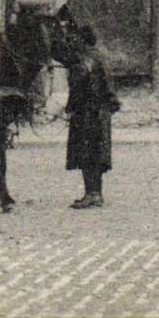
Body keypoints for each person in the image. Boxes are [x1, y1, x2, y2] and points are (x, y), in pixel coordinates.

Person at [63, 23, 119, 209]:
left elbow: (80, 85)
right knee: (95, 155)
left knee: (88, 155)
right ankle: (95, 193)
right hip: (98, 112)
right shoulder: (97, 56)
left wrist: (70, 107)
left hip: (89, 113)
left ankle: (92, 194)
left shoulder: (86, 60)